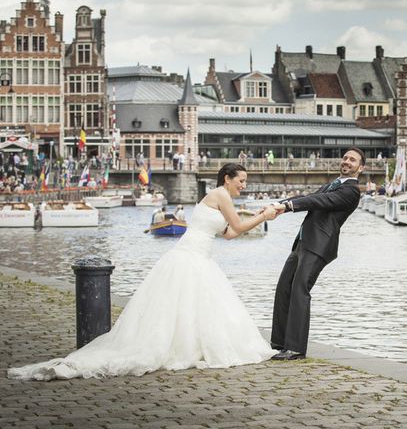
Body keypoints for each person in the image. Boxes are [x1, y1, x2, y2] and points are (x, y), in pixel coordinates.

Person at [8, 164, 279, 381]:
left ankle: (191, 345)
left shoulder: (220, 198)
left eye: (244, 181)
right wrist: (264, 216)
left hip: (199, 255)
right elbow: (239, 227)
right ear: (227, 179)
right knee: (191, 303)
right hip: (191, 256)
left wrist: (258, 214)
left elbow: (229, 234)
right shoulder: (220, 194)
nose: (243, 185)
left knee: (192, 305)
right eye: (240, 180)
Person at [270, 148, 365, 361]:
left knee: (299, 289)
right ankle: (280, 343)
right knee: (284, 287)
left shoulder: (351, 191)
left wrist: (288, 207)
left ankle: (295, 349)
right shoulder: (334, 183)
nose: (347, 161)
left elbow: (318, 202)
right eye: (345, 158)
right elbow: (310, 197)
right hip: (303, 242)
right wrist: (280, 204)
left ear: (361, 167)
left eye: (352, 160)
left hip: (319, 245)